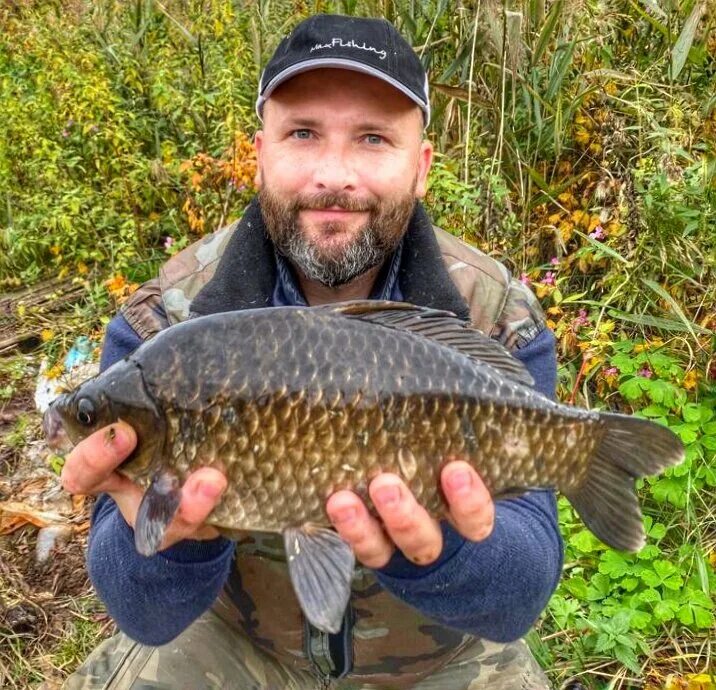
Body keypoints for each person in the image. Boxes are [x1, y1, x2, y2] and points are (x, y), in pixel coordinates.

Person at [61, 14, 563, 690]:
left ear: (421, 168)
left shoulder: (496, 315)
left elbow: (519, 600)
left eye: (373, 138)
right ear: (260, 152)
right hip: (233, 647)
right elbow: (143, 615)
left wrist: (433, 553)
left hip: (441, 659)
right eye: (302, 133)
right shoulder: (161, 326)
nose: (334, 174)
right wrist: (174, 546)